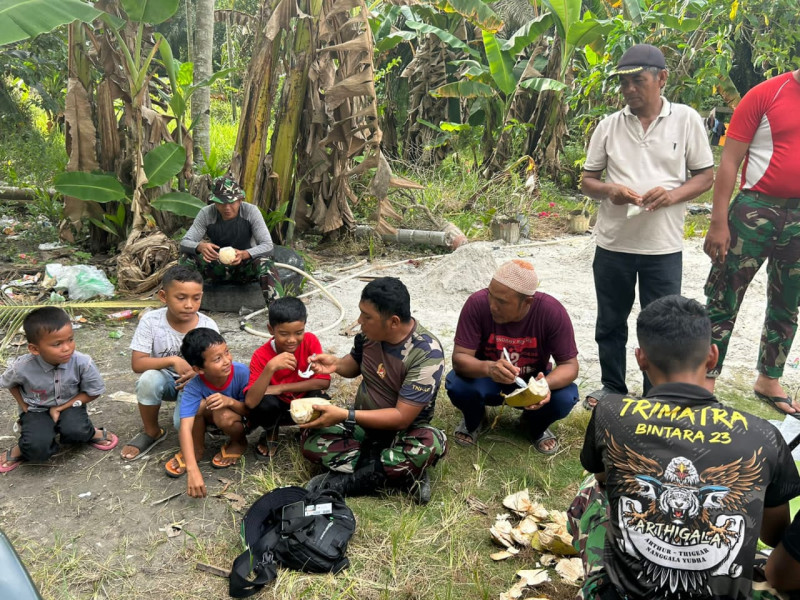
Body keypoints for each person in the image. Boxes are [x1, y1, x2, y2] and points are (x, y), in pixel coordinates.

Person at [572, 295, 800, 600]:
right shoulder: (764, 435)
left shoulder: (611, 412)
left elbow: (603, 480)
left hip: (623, 594)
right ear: (712, 357)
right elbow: (772, 535)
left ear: (640, 358)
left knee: (590, 487)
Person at [581, 44, 714, 407]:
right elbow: (587, 180)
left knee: (662, 327)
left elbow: (705, 176)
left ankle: (657, 394)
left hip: (662, 247)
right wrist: (611, 190)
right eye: (624, 84)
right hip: (613, 244)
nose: (628, 90)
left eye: (637, 82)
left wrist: (672, 195)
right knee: (610, 320)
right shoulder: (609, 126)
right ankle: (612, 387)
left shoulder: (686, 120)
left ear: (662, 79)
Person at [703, 68, 800, 417]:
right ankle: (706, 379)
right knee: (724, 296)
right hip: (754, 210)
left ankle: (769, 379)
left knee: (788, 302)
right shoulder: (765, 94)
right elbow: (730, 160)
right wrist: (718, 222)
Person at [299, 277, 447, 504]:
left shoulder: (426, 354)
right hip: (363, 426)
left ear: (394, 322)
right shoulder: (369, 336)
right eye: (361, 313)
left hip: (402, 434)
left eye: (367, 316)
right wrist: (337, 364)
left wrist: (345, 414)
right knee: (310, 436)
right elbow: (355, 363)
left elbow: (400, 418)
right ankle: (399, 473)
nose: (359, 321)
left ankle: (348, 482)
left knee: (429, 443)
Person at [445, 259, 579, 454]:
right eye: (491, 296)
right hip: (488, 380)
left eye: (502, 302)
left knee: (565, 397)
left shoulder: (551, 311)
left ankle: (533, 425)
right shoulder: (477, 304)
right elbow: (460, 359)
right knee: (458, 385)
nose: (492, 305)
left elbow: (570, 365)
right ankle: (475, 418)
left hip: (531, 381)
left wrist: (544, 386)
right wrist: (489, 368)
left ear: (527, 302)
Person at [0, 307, 118, 472]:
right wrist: (24, 405)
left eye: (70, 339)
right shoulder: (22, 367)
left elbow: (93, 391)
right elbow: (9, 383)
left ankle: (91, 433)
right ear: (35, 349)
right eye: (57, 344)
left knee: (77, 431)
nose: (67, 348)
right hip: (36, 409)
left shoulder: (82, 362)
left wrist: (61, 408)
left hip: (70, 405)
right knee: (36, 448)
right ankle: (22, 447)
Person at [120, 265, 219, 460]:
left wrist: (199, 373)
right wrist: (173, 360)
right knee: (148, 380)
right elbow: (137, 364)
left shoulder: (207, 325)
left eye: (196, 298)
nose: (189, 305)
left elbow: (219, 364)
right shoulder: (151, 321)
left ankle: (207, 422)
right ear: (163, 297)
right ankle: (152, 432)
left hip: (195, 383)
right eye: (181, 298)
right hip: (165, 379)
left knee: (181, 426)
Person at [165, 328, 250, 497]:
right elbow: (185, 428)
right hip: (212, 418)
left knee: (223, 413)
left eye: (227, 352)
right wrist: (192, 470)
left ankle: (238, 442)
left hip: (241, 420)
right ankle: (197, 449)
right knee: (198, 406)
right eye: (218, 359)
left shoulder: (241, 372)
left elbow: (252, 410)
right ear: (199, 369)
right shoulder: (194, 385)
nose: (227, 361)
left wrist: (229, 402)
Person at [244, 297, 330, 461]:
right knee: (264, 404)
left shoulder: (310, 341)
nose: (292, 340)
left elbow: (324, 381)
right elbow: (250, 403)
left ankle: (306, 430)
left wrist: (281, 388)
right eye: (284, 334)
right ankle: (271, 430)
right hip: (278, 409)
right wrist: (270, 368)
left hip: (303, 401)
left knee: (320, 398)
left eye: (299, 332)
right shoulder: (261, 355)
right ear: (271, 329)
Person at [179, 175, 280, 304]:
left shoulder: (251, 212)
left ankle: (277, 312)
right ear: (214, 202)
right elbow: (184, 242)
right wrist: (200, 246)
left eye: (231, 202)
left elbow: (268, 245)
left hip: (245, 266)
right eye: (221, 203)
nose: (227, 208)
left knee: (265, 263)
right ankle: (184, 304)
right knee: (186, 259)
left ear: (240, 200)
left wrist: (245, 254)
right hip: (216, 266)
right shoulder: (206, 213)